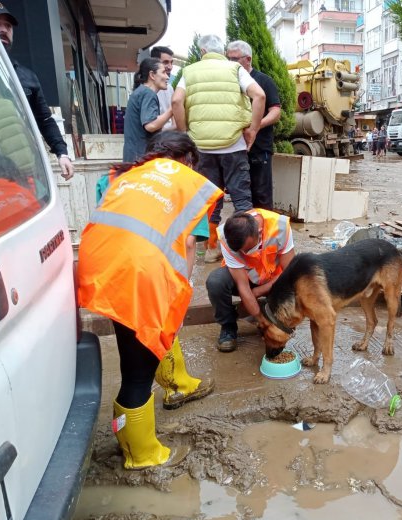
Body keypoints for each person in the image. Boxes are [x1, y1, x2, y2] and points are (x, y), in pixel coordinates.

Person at [77, 131, 223, 470]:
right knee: (137, 373)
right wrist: (179, 293)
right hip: (140, 276)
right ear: (187, 160)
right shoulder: (187, 184)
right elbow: (189, 247)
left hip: (103, 265)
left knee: (138, 340)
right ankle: (141, 454)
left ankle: (177, 386)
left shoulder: (124, 175)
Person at [172, 34, 266, 263]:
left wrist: (184, 133)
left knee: (209, 200)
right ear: (221, 52)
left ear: (202, 52)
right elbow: (259, 95)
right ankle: (249, 250)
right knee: (242, 200)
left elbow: (176, 102)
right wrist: (252, 129)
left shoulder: (189, 71)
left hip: (202, 147)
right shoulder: (234, 69)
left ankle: (212, 248)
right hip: (233, 145)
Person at [0, 0, 74, 179]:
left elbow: (45, 119)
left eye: (8, 25)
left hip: (27, 172)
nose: (3, 29)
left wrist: (62, 153)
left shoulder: (27, 76)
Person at [206, 209, 295, 352]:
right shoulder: (226, 236)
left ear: (259, 233)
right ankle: (228, 327)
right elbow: (243, 287)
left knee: (294, 284)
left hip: (275, 280)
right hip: (245, 278)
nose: (244, 254)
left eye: (247, 249)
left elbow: (290, 272)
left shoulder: (280, 227)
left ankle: (277, 319)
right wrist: (262, 322)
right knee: (216, 282)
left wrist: (260, 291)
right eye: (240, 251)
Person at [226, 40, 281, 210]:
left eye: (234, 59)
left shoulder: (264, 81)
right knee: (241, 197)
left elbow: (276, 112)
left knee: (261, 197)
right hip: (235, 149)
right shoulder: (228, 82)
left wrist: (255, 127)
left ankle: (264, 234)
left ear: (248, 59)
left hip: (259, 149)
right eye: (228, 59)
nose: (230, 64)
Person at [122, 58, 173, 163]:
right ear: (152, 75)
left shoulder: (140, 92)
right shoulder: (148, 94)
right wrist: (172, 109)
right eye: (163, 72)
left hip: (133, 157)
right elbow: (151, 125)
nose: (167, 77)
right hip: (140, 159)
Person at [150, 46, 175, 131]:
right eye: (165, 62)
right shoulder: (146, 91)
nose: (170, 67)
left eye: (171, 62)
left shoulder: (169, 88)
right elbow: (151, 126)